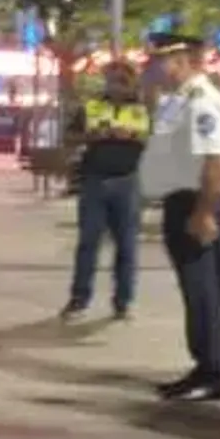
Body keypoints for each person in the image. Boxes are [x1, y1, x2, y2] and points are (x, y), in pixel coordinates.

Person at [136, 32, 220, 402]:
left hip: (197, 204)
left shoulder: (201, 103)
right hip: (181, 202)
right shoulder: (179, 101)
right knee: (197, 292)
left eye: (160, 60)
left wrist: (204, 212)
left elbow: (218, 160)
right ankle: (206, 366)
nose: (154, 67)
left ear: (183, 60)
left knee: (204, 292)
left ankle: (212, 372)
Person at [62, 60, 149, 321]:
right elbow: (69, 137)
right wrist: (96, 135)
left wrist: (132, 137)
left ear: (132, 83)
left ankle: (123, 301)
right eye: (113, 80)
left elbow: (157, 141)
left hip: (128, 182)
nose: (117, 86)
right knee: (88, 242)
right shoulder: (91, 108)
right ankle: (79, 298)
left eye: (123, 81)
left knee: (127, 245)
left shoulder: (144, 110)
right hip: (95, 182)